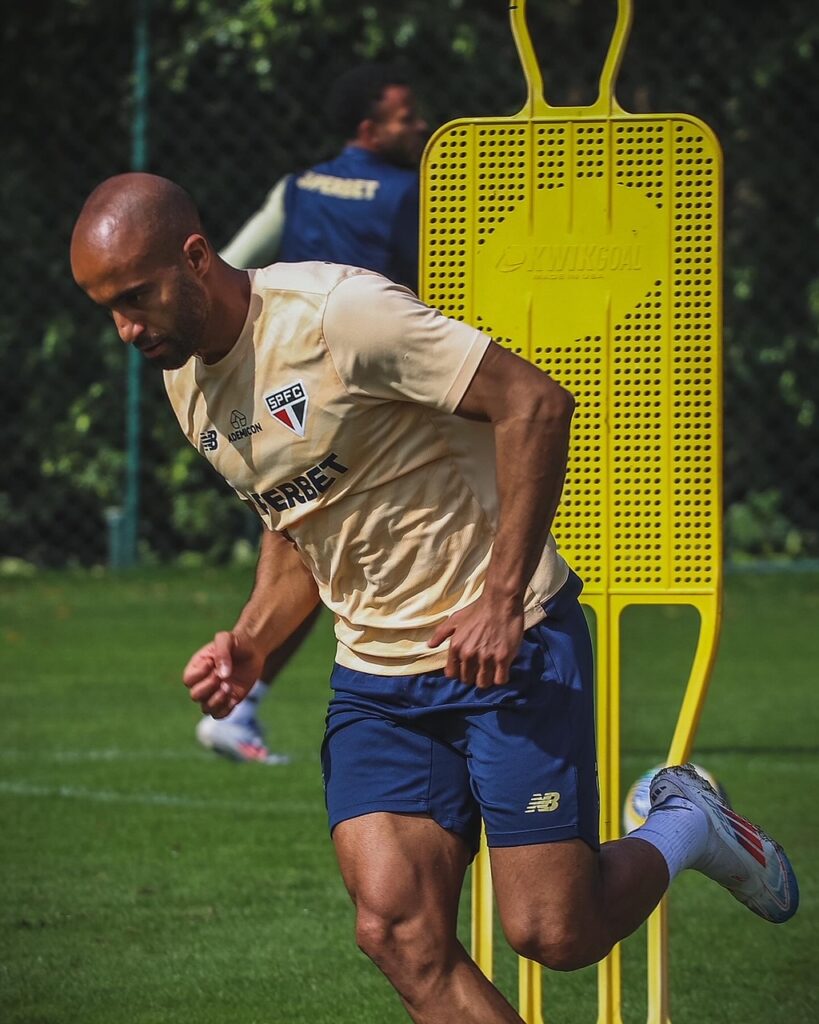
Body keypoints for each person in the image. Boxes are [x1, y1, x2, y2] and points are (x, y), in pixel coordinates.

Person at [70, 173, 799, 1024]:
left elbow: (534, 404)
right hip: (376, 683)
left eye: (136, 298)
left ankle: (686, 823)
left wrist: (496, 599)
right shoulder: (185, 383)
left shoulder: (339, 315)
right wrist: (252, 642)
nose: (126, 329)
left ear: (194, 258)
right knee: (395, 932)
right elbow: (299, 525)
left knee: (554, 932)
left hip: (508, 642)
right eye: (107, 310)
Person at [202, 62, 430, 763]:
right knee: (344, 555)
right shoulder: (415, 193)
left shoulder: (295, 187)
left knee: (309, 546)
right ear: (369, 128)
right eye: (405, 116)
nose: (420, 125)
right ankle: (244, 704)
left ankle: (241, 701)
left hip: (284, 391)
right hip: (379, 400)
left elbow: (226, 263)